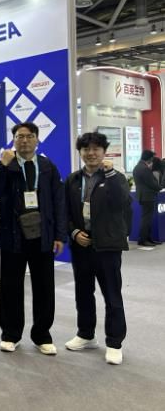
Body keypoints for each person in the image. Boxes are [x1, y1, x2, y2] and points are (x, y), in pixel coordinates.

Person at [0, 122, 66, 355]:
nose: (24, 140)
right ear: (14, 140)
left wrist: (60, 235)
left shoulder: (47, 166)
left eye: (29, 136)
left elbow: (59, 202)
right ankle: (10, 334)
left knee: (44, 287)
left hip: (42, 235)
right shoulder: (7, 164)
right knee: (10, 287)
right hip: (13, 235)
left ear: (37, 140)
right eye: (20, 136)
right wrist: (1, 165)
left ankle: (42, 335)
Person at [64, 132, 131, 365]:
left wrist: (110, 174)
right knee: (83, 293)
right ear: (80, 152)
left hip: (107, 246)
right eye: (86, 149)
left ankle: (114, 343)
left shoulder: (115, 177)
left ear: (104, 151)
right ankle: (86, 335)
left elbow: (122, 202)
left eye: (96, 149)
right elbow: (65, 212)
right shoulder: (73, 180)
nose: (91, 153)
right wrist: (74, 232)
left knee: (112, 295)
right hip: (81, 244)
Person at [132, 150, 162, 246]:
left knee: (147, 218)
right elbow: (151, 183)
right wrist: (160, 188)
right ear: (149, 158)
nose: (152, 160)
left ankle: (148, 238)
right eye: (152, 158)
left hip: (143, 196)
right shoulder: (144, 168)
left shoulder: (137, 167)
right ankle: (143, 240)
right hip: (147, 196)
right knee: (146, 219)